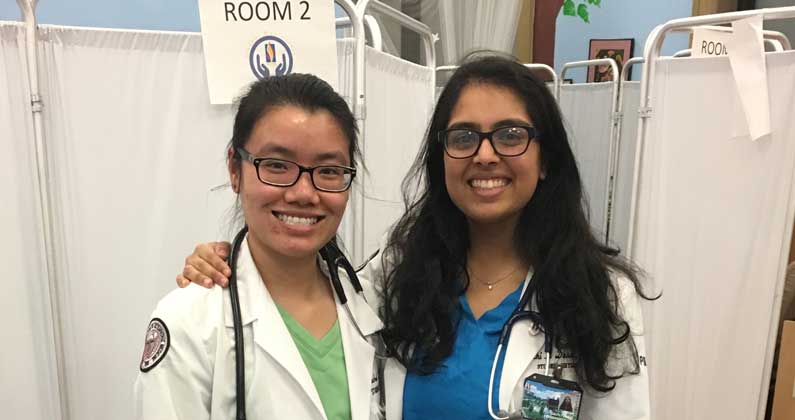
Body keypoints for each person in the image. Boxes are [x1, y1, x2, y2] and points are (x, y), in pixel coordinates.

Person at [178, 55, 653, 419]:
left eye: (510, 135)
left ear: (545, 158)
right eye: (463, 137)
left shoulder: (602, 295)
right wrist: (229, 258)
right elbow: (304, 280)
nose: (485, 155)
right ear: (441, 157)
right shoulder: (400, 273)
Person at [134, 73, 386, 420]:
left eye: (328, 170)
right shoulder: (189, 322)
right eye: (277, 166)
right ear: (234, 169)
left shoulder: (368, 305)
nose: (303, 194)